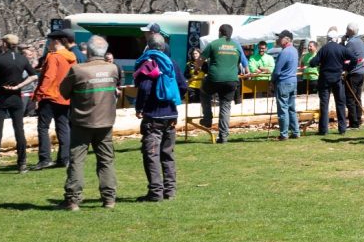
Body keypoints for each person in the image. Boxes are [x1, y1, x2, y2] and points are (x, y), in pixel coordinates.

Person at [58, 36, 121, 210]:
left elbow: (63, 92)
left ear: (89, 51)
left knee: (77, 161)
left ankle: (73, 200)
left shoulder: (78, 70)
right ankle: (109, 199)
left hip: (82, 122)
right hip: (106, 123)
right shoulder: (113, 69)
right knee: (106, 161)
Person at [133, 36, 187, 201]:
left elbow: (145, 87)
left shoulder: (148, 63)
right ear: (164, 47)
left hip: (154, 115)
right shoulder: (172, 63)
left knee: (152, 154)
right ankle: (170, 191)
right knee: (167, 154)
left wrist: (140, 107)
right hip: (170, 115)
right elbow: (183, 86)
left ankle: (156, 192)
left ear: (148, 47)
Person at [0, 34, 36, 174]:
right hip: (16, 98)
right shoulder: (22, 58)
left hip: (1, 99)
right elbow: (34, 75)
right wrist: (19, 86)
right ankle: (22, 164)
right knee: (19, 130)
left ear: (5, 44)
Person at [32, 29, 78, 170]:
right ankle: (64, 158)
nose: (48, 44)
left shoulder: (53, 56)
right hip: (65, 97)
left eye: (50, 41)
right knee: (63, 127)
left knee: (43, 128)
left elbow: (49, 77)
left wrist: (39, 95)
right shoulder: (72, 56)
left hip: (49, 96)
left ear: (56, 41)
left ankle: (45, 158)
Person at [199, 24, 249, 144]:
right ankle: (224, 136)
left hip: (214, 79)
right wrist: (247, 72)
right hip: (232, 80)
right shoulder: (236, 45)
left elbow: (200, 59)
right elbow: (244, 61)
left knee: (204, 92)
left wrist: (197, 68)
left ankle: (207, 119)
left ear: (220, 32)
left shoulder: (213, 44)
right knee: (225, 107)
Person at [310, 29, 348, 135]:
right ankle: (342, 128)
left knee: (324, 104)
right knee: (340, 103)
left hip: (325, 79)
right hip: (338, 79)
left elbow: (313, 63)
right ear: (336, 38)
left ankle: (323, 129)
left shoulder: (323, 49)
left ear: (327, 38)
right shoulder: (341, 48)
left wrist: (313, 62)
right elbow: (354, 58)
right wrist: (346, 69)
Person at [342, 24, 364, 129]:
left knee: (351, 98)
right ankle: (359, 119)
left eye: (347, 30)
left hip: (354, 73)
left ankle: (354, 123)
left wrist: (346, 71)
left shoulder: (351, 43)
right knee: (357, 97)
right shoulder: (360, 41)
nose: (346, 32)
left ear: (351, 31)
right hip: (361, 72)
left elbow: (344, 54)